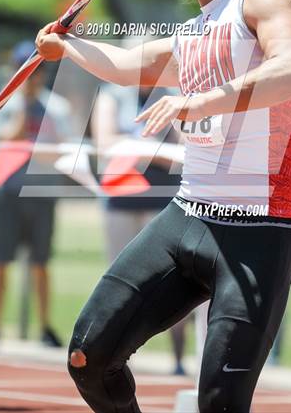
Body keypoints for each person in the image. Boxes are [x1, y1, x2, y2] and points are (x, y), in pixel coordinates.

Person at [35, 0, 291, 413]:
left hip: (260, 230)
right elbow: (125, 63)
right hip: (188, 217)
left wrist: (201, 100)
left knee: (218, 402)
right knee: (88, 356)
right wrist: (66, 47)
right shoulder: (190, 37)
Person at [91, 82, 187, 375]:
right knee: (118, 279)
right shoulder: (113, 94)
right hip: (121, 196)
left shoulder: (174, 96)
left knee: (173, 278)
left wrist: (138, 149)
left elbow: (185, 147)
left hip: (163, 197)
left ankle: (179, 358)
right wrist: (155, 151)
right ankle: (111, 355)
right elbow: (105, 142)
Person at [0, 41, 72, 347]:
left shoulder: (57, 107)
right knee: (1, 261)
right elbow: (4, 140)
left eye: (36, 71)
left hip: (41, 193)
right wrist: (23, 110)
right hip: (8, 193)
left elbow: (65, 149)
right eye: (25, 70)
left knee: (41, 262)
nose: (31, 78)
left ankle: (44, 327)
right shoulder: (4, 104)